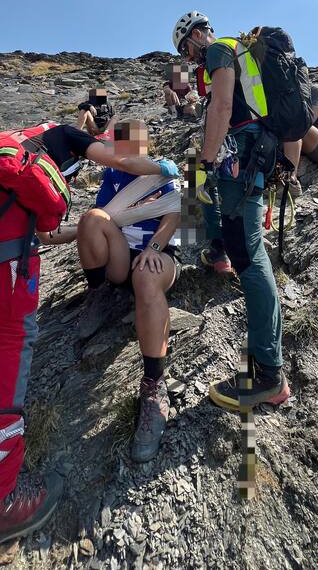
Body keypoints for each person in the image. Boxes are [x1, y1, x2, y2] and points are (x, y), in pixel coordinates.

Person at [0, 122, 178, 567]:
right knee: (12, 325)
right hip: (5, 218)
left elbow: (182, 215)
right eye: (117, 141)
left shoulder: (25, 139)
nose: (120, 148)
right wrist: (68, 233)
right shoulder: (104, 169)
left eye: (130, 140)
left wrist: (160, 238)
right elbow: (105, 205)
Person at [172, 11, 290, 412]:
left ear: (199, 34)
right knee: (248, 254)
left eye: (186, 46)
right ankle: (216, 251)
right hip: (248, 156)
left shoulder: (221, 49)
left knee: (251, 259)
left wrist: (204, 164)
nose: (188, 56)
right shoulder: (233, 55)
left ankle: (269, 375)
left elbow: (222, 107)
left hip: (242, 157)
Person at [75, 119, 181, 463]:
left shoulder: (163, 174)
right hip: (122, 252)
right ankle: (98, 292)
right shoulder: (114, 176)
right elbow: (102, 217)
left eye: (134, 141)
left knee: (147, 278)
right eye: (122, 142)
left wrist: (154, 246)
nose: (127, 147)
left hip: (158, 253)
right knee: (91, 218)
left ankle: (154, 384)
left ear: (146, 144)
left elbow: (174, 216)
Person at [281, 83, 318, 190]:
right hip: (301, 143)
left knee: (295, 125)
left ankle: (290, 181)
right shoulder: (288, 98)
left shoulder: (315, 89)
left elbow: (308, 120)